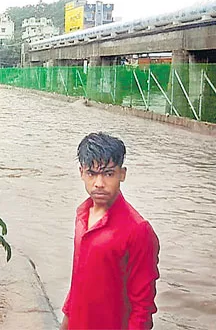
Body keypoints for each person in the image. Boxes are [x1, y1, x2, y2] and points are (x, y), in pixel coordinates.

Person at [61, 133, 160, 330]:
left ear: (122, 174)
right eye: (91, 173)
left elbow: (143, 308)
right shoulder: (82, 215)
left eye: (108, 174)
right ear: (81, 173)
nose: (99, 183)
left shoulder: (138, 230)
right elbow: (78, 283)